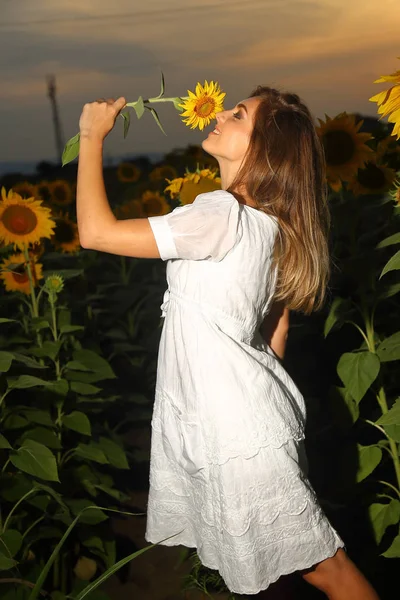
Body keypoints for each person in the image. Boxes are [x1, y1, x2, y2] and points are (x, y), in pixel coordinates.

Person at [76, 87, 380, 599]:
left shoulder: (219, 214)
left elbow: (96, 233)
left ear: (264, 149)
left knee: (326, 567)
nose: (218, 114)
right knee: (282, 569)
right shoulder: (270, 226)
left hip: (236, 432)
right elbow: (275, 331)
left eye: (238, 115)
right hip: (245, 423)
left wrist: (91, 138)